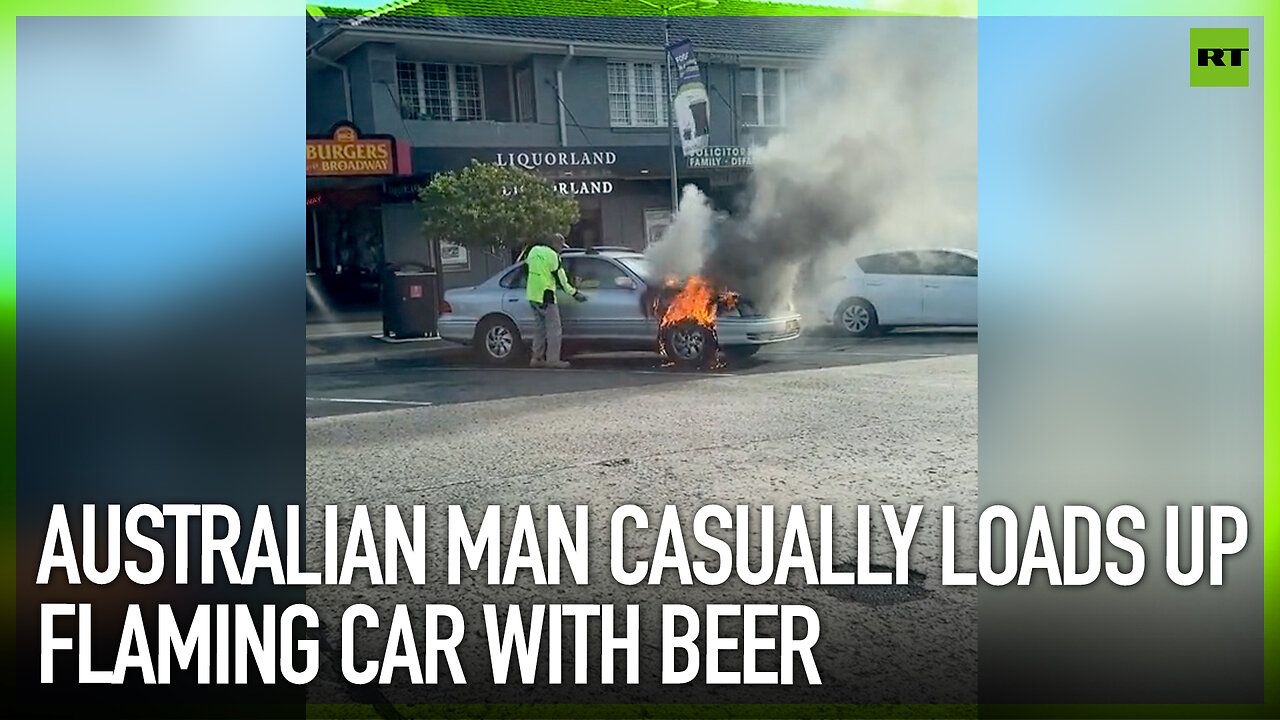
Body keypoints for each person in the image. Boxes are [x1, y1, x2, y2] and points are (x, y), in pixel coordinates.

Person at [523, 233, 586, 368]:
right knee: (554, 329)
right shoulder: (553, 256)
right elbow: (561, 279)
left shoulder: (534, 251)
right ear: (556, 244)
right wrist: (574, 293)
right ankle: (553, 360)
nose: (561, 249)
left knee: (540, 328)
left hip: (532, 294)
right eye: (561, 246)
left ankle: (536, 358)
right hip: (546, 295)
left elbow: (526, 267)